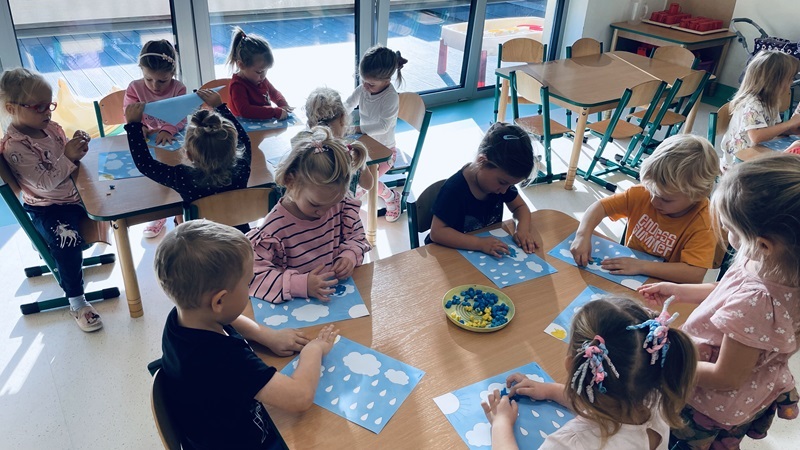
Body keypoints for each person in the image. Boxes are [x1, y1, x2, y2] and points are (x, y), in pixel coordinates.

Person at [639, 154, 800, 449]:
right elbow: (727, 289)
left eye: (729, 228)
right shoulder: (773, 263)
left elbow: (727, 377)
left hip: (707, 402)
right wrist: (680, 291)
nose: (725, 234)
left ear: (763, 243)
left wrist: (666, 364)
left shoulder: (757, 303)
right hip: (739, 387)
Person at [156, 220, 335, 450]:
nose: (250, 289)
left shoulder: (183, 317)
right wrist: (314, 350)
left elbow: (230, 318)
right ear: (219, 301)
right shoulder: (223, 359)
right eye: (248, 283)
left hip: (206, 431)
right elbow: (299, 398)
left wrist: (266, 335)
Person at [482, 296, 697, 449]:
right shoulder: (656, 401)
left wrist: (501, 425)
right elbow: (605, 401)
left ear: (571, 364)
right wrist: (550, 390)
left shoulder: (572, 443)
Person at [0, 68, 101, 332]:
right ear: (11, 108)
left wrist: (77, 145)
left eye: (50, 105)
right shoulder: (15, 146)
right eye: (39, 107)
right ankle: (77, 302)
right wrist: (68, 156)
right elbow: (43, 182)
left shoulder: (51, 127)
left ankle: (55, 245)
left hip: (73, 195)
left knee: (111, 202)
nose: (48, 112)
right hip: (48, 207)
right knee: (67, 241)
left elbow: (66, 158)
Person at [570, 134, 719, 284]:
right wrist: (582, 235)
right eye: (652, 192)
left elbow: (694, 274)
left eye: (665, 199)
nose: (654, 201)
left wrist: (641, 266)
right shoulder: (642, 193)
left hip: (667, 286)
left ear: (697, 195)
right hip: (630, 276)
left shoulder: (704, 223)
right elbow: (600, 207)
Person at [248, 126, 371, 303]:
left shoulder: (341, 205)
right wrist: (302, 285)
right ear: (290, 181)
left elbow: (357, 237)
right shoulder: (274, 228)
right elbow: (253, 277)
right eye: (315, 204)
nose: (323, 212)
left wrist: (349, 255)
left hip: (335, 301)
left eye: (332, 204)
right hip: (295, 306)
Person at [124, 90, 254, 233]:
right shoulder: (242, 167)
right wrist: (221, 107)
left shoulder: (183, 177)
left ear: (189, 155)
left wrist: (133, 126)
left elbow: (145, 164)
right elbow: (245, 140)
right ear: (234, 148)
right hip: (239, 239)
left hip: (200, 242)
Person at [428, 122, 542, 256]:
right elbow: (437, 232)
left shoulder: (501, 184)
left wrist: (522, 229)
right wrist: (479, 243)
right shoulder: (454, 190)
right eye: (502, 182)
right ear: (482, 161)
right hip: (449, 253)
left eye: (510, 185)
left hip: (482, 253)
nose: (504, 191)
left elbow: (520, 207)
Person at [124, 39, 187, 238]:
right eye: (148, 79)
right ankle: (159, 214)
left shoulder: (178, 88)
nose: (155, 86)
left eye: (162, 81)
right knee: (153, 180)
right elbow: (129, 113)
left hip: (174, 141)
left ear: (173, 73)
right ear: (141, 71)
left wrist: (168, 129)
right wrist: (139, 127)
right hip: (147, 141)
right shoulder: (134, 88)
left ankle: (179, 216)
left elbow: (181, 116)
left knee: (177, 178)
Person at [344, 45, 408, 222]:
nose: (365, 86)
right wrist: (336, 117)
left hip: (385, 151)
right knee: (349, 176)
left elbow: (384, 125)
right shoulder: (364, 88)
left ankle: (391, 196)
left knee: (357, 184)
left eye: (370, 84)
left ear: (387, 80)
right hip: (365, 145)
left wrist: (358, 129)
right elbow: (348, 104)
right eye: (363, 80)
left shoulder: (390, 96)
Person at [720, 51, 800, 168]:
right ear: (774, 82)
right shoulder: (753, 104)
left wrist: (792, 131)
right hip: (737, 164)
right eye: (789, 78)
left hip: (756, 153)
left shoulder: (771, 101)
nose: (792, 82)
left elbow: (772, 128)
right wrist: (790, 123)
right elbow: (757, 136)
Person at [304, 86, 373, 196]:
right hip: (343, 206)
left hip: (310, 205)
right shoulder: (350, 151)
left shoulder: (303, 149)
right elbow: (368, 184)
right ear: (343, 118)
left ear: (310, 123)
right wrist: (361, 163)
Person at [226, 27, 293, 120]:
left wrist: (282, 104)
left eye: (266, 71)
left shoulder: (260, 78)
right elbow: (245, 111)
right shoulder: (237, 86)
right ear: (241, 65)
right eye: (259, 72)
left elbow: (274, 93)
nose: (263, 76)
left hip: (263, 124)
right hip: (244, 128)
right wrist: (274, 112)